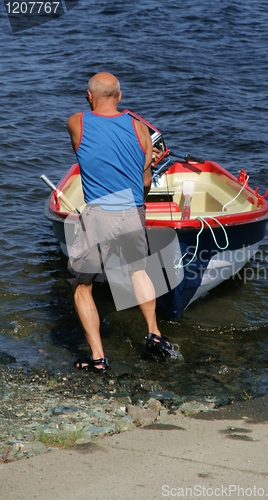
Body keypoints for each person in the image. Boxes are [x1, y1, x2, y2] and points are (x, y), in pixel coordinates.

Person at [66, 72, 182, 374]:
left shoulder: (77, 122)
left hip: (98, 215)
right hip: (131, 211)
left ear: (89, 96)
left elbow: (84, 148)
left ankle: (99, 358)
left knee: (83, 285)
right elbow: (144, 181)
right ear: (120, 96)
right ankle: (154, 334)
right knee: (138, 272)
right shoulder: (140, 128)